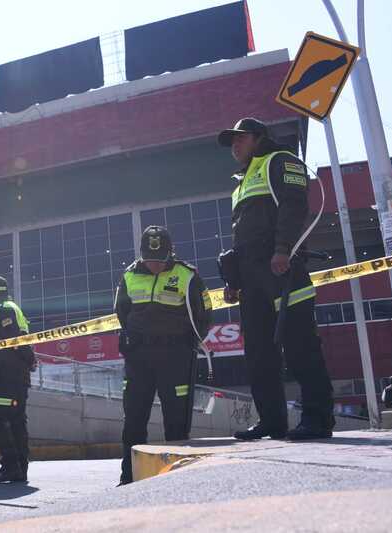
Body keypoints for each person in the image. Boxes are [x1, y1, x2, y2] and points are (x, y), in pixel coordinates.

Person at [217, 117, 334, 441]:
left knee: (300, 346)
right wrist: (234, 281)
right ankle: (271, 421)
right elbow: (245, 238)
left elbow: (294, 207)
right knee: (259, 354)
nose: (234, 146)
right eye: (232, 142)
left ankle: (318, 419)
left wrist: (283, 249)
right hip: (252, 280)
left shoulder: (280, 161)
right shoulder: (241, 183)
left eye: (240, 138)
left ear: (258, 137)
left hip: (283, 270)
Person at [114, 225, 212, 485]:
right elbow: (122, 311)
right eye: (149, 259)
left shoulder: (187, 275)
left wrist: (188, 343)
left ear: (170, 253)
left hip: (175, 357)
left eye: (159, 259)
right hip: (139, 357)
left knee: (176, 421)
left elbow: (204, 314)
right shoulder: (129, 275)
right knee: (133, 419)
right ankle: (129, 477)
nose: (154, 265)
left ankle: (178, 480)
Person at [0, 275, 36, 484]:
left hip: (8, 377)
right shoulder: (8, 308)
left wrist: (30, 359)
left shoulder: (5, 310)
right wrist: (30, 360)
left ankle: (11, 465)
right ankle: (19, 470)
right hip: (13, 376)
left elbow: (15, 340)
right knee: (16, 424)